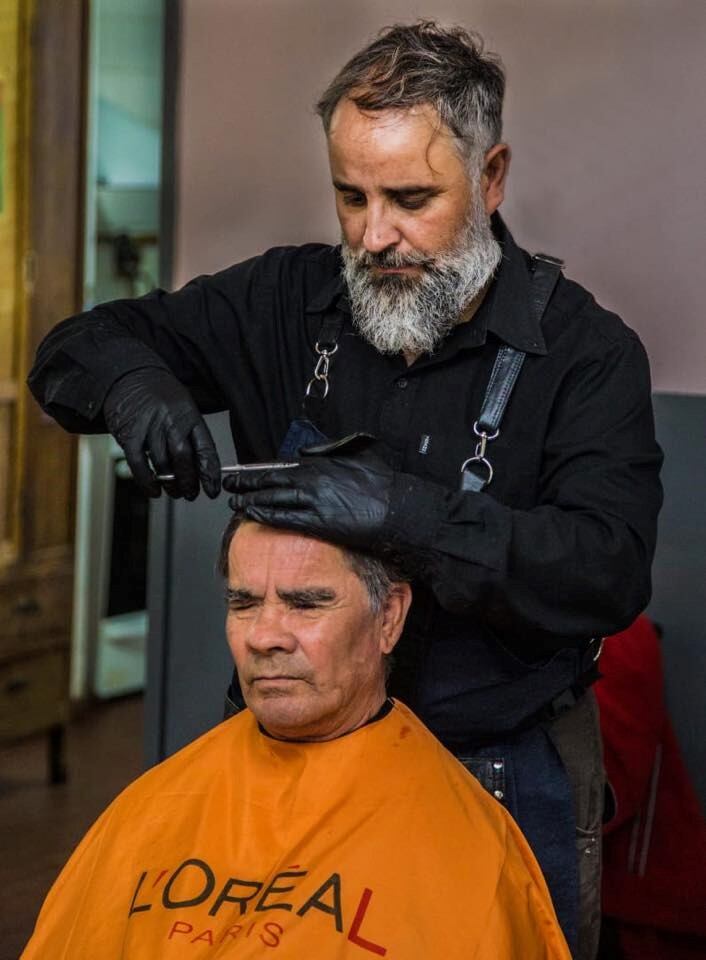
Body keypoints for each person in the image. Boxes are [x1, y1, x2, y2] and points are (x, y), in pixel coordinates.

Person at [27, 21, 663, 958]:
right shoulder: (283, 303)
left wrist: (405, 515)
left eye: (412, 198)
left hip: (493, 761)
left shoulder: (586, 356)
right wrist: (133, 385)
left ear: (490, 179)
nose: (374, 234)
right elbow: (71, 348)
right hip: (290, 763)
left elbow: (605, 571)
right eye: (350, 196)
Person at [21, 517, 570, 959]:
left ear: (390, 617)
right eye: (243, 603)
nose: (264, 636)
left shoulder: (471, 852)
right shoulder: (148, 807)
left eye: (306, 603)